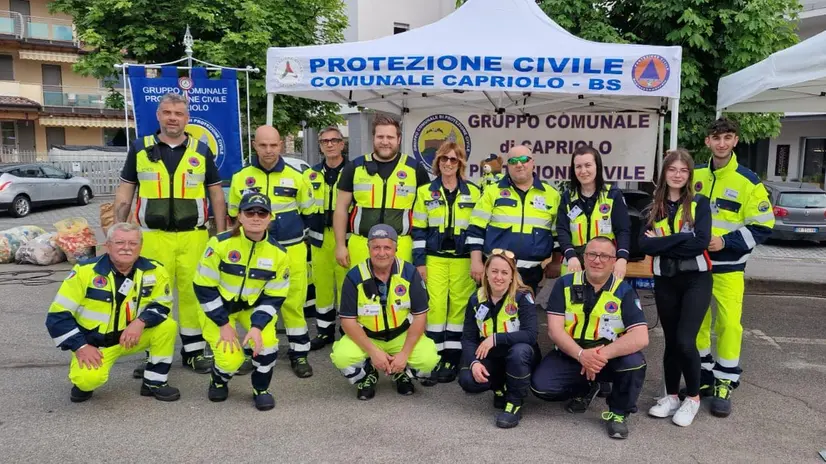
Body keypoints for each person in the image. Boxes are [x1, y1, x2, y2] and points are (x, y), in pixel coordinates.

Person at [115, 93, 226, 376]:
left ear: (187, 118)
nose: (173, 118)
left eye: (178, 113)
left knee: (193, 295)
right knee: (151, 295)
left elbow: (215, 193)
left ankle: (193, 352)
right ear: (158, 116)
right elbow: (127, 189)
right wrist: (118, 229)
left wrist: (222, 233)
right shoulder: (140, 148)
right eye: (167, 112)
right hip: (152, 236)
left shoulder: (201, 151)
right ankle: (154, 354)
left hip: (194, 236)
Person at [692, 118, 774, 417]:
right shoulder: (695, 174)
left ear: (736, 140)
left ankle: (725, 381)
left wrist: (725, 242)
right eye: (716, 138)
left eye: (727, 137)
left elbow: (763, 225)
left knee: (728, 325)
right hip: (697, 266)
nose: (722, 143)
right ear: (707, 142)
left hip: (729, 269)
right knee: (698, 323)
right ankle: (702, 374)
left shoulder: (748, 181)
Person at [45, 223, 180, 402]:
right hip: (96, 345)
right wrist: (81, 346)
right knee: (87, 381)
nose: (126, 248)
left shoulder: (155, 270)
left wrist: (140, 322)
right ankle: (83, 379)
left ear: (141, 246)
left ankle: (155, 382)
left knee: (168, 326)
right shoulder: (84, 272)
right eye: (119, 243)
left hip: (131, 337)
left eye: (133, 243)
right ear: (108, 245)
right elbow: (57, 316)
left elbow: (163, 304)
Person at [531, 237, 649, 439]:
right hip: (571, 354)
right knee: (541, 387)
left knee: (634, 363)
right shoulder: (565, 284)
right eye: (592, 254)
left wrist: (597, 355)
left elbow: (641, 337)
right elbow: (554, 330)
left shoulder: (625, 291)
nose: (597, 260)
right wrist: (580, 354)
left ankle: (618, 413)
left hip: (608, 357)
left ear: (613, 261)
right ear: (584, 257)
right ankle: (587, 387)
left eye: (604, 256)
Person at [227, 125, 318, 378]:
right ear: (255, 145)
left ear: (281, 145)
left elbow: (308, 212)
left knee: (293, 304)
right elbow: (234, 215)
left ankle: (299, 355)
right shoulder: (241, 177)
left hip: (292, 250)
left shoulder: (297, 176)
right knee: (251, 302)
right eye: (263, 145)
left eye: (273, 145)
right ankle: (252, 352)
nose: (268, 150)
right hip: (253, 252)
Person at [193, 193, 290, 411]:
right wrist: (223, 324)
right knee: (231, 361)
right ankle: (218, 380)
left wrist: (257, 327)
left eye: (262, 213)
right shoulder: (219, 244)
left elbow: (274, 296)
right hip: (217, 308)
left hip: (251, 308)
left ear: (270, 218)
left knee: (268, 346)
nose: (256, 217)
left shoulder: (279, 254)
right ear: (240, 216)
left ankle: (261, 389)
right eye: (250, 212)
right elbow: (203, 286)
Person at [639, 149, 712, 427]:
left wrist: (664, 243)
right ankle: (671, 396)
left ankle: (692, 398)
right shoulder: (652, 206)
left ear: (689, 174)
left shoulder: (699, 204)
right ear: (664, 173)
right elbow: (643, 245)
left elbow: (700, 242)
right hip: (665, 280)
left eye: (683, 170)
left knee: (684, 341)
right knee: (670, 341)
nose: (677, 175)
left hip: (696, 280)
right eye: (672, 169)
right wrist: (680, 238)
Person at [330, 224, 439, 400]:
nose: (382, 253)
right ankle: (368, 374)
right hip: (367, 336)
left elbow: (420, 316)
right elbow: (348, 321)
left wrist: (403, 355)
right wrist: (373, 352)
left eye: (387, 247)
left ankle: (402, 373)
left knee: (428, 360)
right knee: (342, 357)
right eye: (376, 247)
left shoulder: (409, 273)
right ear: (368, 249)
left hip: (401, 335)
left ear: (396, 248)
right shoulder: (354, 276)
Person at [412, 142, 481, 384]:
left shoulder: (475, 192)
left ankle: (452, 358)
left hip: (463, 261)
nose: (448, 163)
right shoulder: (424, 192)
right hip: (434, 259)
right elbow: (418, 230)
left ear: (461, 163)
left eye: (453, 160)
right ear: (437, 162)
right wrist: (419, 263)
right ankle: (433, 357)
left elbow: (477, 230)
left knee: (459, 309)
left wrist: (477, 261)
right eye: (444, 159)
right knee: (436, 308)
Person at [333, 115, 431, 270]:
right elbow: (340, 209)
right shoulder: (355, 167)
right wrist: (340, 245)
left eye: (390, 137)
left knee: (399, 292)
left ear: (398, 139)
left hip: (401, 245)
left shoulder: (415, 169)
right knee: (361, 292)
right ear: (373, 138)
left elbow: (426, 213)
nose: (385, 141)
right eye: (380, 136)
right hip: (361, 245)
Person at [458, 249, 539, 428]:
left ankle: (514, 403)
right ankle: (499, 387)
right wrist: (473, 363)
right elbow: (468, 338)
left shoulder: (523, 297)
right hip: (493, 357)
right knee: (467, 379)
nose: (499, 277)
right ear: (486, 273)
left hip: (520, 356)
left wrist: (496, 338)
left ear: (512, 276)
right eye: (494, 271)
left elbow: (531, 334)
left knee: (519, 352)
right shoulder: (476, 298)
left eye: (504, 272)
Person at [467, 144, 561, 292]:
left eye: (524, 159)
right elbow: (475, 230)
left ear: (532, 162)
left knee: (526, 314)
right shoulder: (492, 191)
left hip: (531, 274)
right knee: (491, 314)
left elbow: (557, 234)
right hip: (495, 272)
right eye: (513, 161)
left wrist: (556, 262)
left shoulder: (551, 195)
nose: (519, 164)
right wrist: (476, 261)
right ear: (507, 166)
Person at [556, 146, 631, 279]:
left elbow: (623, 230)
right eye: (578, 166)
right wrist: (570, 255)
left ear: (598, 166)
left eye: (588, 165)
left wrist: (622, 258)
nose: (583, 171)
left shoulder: (613, 195)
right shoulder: (568, 197)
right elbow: (562, 230)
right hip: (574, 264)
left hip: (603, 263)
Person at [305, 126, 349, 351]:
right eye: (324, 141)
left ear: (342, 144)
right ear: (320, 146)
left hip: (345, 238)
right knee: (322, 286)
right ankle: (324, 331)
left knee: (346, 286)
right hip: (318, 238)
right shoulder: (310, 174)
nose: (329, 144)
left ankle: (347, 330)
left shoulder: (353, 172)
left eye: (334, 140)